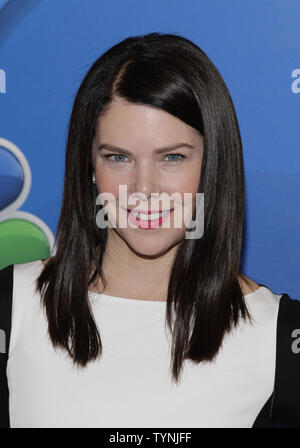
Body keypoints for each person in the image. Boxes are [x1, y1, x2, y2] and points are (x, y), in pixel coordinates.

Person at [0, 32, 299, 428]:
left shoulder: (280, 335)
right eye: (118, 157)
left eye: (172, 157)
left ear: (212, 165)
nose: (143, 190)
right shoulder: (13, 303)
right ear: (90, 166)